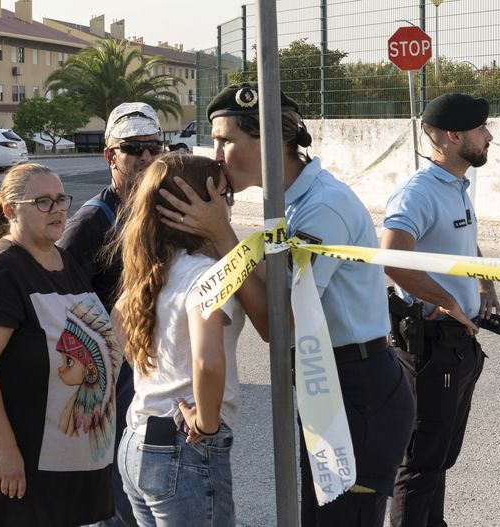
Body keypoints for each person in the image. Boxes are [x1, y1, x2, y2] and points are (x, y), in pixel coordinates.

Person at [158, 82, 415, 526]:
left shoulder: (321, 207)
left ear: (272, 141)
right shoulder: (288, 204)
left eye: (225, 141)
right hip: (329, 381)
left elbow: (281, 324)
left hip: (358, 387)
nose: (216, 155)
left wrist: (222, 235)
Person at [0, 163, 122, 526]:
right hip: (22, 471)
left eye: (61, 199)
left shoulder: (64, 260)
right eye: (43, 202)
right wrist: (6, 450)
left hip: (70, 468)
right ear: (11, 210)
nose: (58, 209)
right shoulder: (0, 270)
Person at [381, 92, 500, 527]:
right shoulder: (418, 193)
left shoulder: (456, 186)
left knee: (438, 458)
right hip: (430, 346)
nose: (489, 136)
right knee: (418, 462)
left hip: (460, 344)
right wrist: (448, 302)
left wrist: (484, 284)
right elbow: (392, 257)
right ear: (453, 137)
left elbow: (464, 243)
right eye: (481, 129)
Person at [111, 154, 244, 527]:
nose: (229, 203)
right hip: (184, 447)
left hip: (137, 440)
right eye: (224, 193)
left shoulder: (150, 270)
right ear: (195, 203)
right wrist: (207, 423)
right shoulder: (207, 275)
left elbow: (120, 327)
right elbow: (207, 361)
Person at [57, 102, 163, 527]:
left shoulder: (161, 209)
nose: (147, 158)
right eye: (133, 148)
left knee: (151, 477)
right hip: (112, 373)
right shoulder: (88, 224)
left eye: (155, 147)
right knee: (118, 493)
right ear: (110, 156)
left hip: (152, 366)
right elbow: (61, 308)